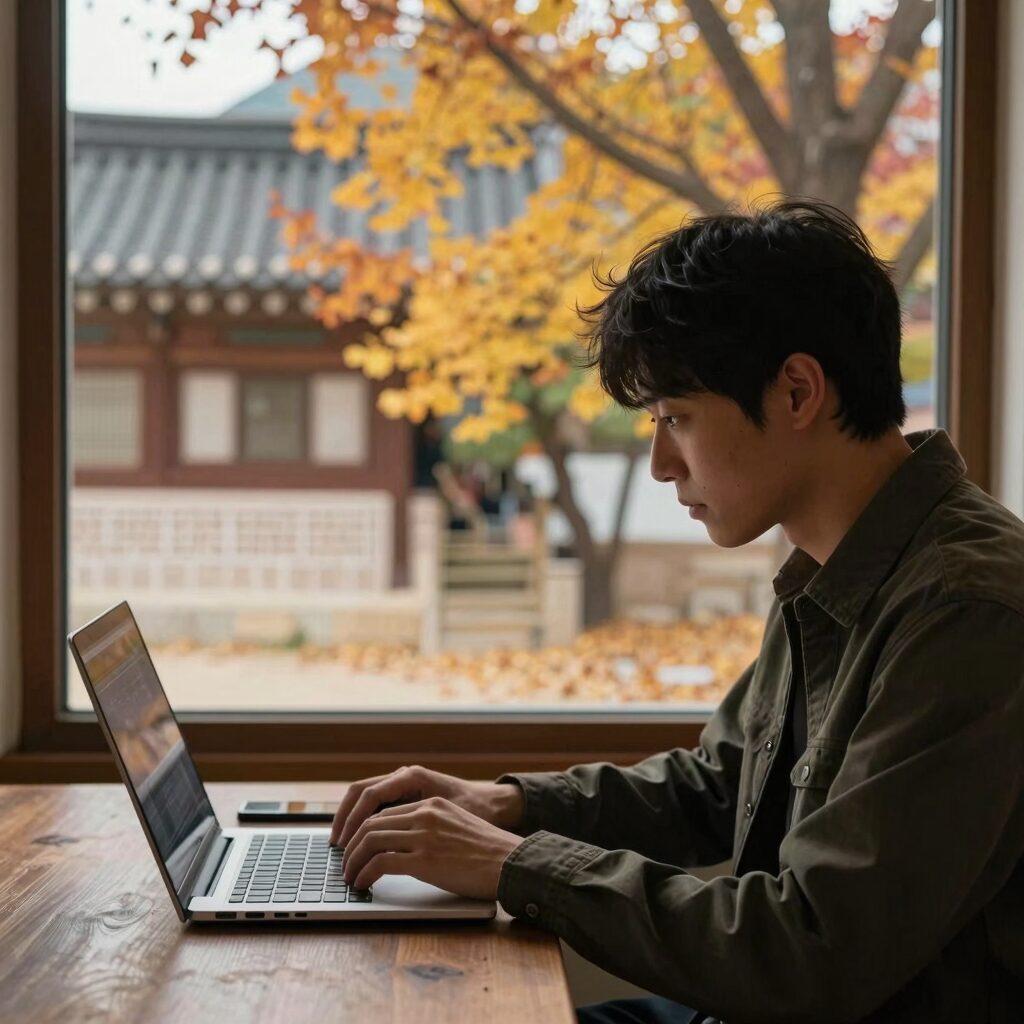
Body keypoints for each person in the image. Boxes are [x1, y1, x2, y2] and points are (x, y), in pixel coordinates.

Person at [328, 199, 1024, 1023]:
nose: (661, 463)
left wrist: (517, 865)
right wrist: (508, 806)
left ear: (798, 390)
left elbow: (814, 948)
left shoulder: (967, 609)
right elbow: (718, 787)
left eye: (676, 419)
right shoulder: (838, 567)